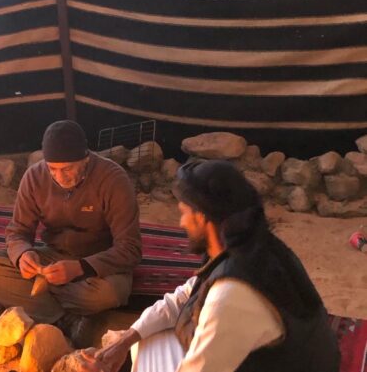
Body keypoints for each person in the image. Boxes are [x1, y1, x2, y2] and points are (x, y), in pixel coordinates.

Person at [79, 159, 339, 372]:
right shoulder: (248, 245)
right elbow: (183, 297)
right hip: (280, 357)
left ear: (203, 217)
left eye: (184, 213)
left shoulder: (231, 295)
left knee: (149, 353)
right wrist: (126, 339)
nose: (181, 223)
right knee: (146, 340)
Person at [0, 120, 142, 348]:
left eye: (67, 169)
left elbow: (130, 249)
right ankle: (65, 320)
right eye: (52, 169)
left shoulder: (113, 179)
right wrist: (23, 254)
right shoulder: (35, 177)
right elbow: (17, 232)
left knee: (107, 294)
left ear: (85, 159)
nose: (59, 177)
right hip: (54, 257)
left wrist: (79, 268)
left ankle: (24, 300)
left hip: (100, 264)